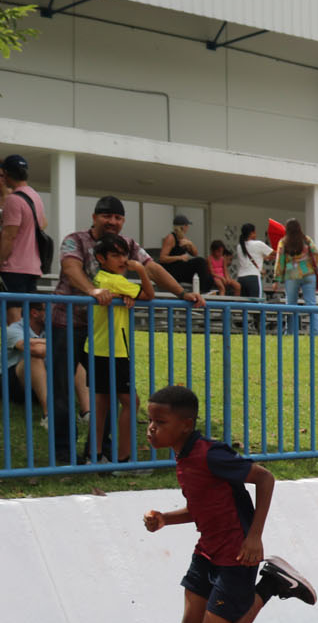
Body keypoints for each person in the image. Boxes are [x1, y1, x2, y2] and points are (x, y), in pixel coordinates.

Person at [142, 384, 317, 623]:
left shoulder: (210, 454)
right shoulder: (184, 456)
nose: (151, 429)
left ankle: (268, 585)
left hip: (237, 554)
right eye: (149, 421)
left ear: (186, 425)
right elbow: (202, 507)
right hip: (206, 551)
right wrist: (165, 518)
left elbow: (264, 478)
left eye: (160, 422)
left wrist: (254, 536)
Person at [49, 196, 203, 465]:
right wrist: (93, 291)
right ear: (95, 217)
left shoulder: (127, 245)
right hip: (68, 323)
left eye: (118, 217)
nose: (113, 221)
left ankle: (99, 453)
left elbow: (152, 267)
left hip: (105, 333)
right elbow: (70, 267)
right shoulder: (75, 239)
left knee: (106, 392)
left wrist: (182, 292)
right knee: (62, 388)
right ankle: (63, 453)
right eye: (107, 216)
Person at [86, 235, 153, 464]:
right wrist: (141, 271)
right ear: (101, 258)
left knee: (102, 402)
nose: (122, 260)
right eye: (115, 255)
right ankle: (124, 458)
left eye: (124, 255)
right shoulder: (114, 281)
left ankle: (94, 455)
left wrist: (125, 294)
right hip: (112, 351)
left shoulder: (102, 278)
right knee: (130, 402)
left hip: (97, 348)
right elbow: (148, 295)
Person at [0, 153, 46, 298]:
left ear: (6, 173)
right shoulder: (35, 195)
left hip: (14, 267)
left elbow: (9, 236)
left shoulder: (14, 199)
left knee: (13, 313)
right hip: (32, 267)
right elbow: (43, 224)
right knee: (25, 315)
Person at [272, 218, 318, 335]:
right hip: (308, 274)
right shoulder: (306, 240)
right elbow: (316, 255)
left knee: (291, 305)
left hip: (292, 275)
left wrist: (276, 279)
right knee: (311, 304)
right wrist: (312, 267)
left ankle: (290, 332)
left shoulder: (283, 242)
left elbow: (280, 262)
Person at [5, 305, 47, 425]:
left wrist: (39, 342)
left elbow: (69, 343)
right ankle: (48, 415)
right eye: (50, 309)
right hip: (16, 386)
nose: (54, 314)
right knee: (34, 358)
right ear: (34, 313)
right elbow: (37, 350)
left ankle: (87, 412)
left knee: (73, 356)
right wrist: (55, 343)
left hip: (46, 381)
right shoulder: (13, 329)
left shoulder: (52, 327)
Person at [159, 215, 214, 289]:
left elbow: (195, 254)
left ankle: (206, 290)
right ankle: (202, 290)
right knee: (200, 262)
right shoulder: (170, 238)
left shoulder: (182, 238)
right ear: (182, 227)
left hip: (180, 268)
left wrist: (190, 244)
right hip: (172, 270)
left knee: (209, 278)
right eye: (187, 226)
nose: (188, 228)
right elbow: (162, 258)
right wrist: (180, 257)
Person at [231, 223, 271, 310]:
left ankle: (244, 323)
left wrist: (262, 257)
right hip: (253, 278)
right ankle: (257, 324)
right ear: (252, 233)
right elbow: (274, 254)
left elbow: (252, 257)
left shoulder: (239, 246)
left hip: (241, 279)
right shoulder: (258, 244)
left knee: (243, 307)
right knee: (257, 305)